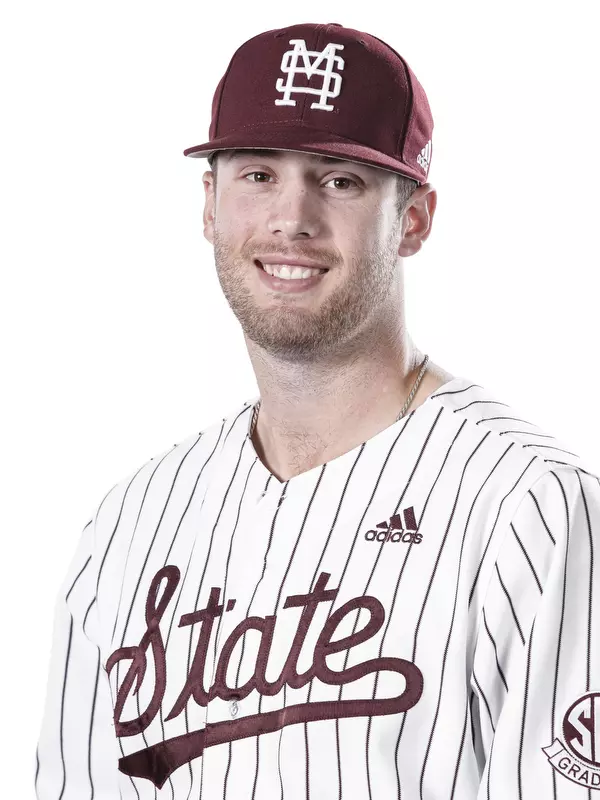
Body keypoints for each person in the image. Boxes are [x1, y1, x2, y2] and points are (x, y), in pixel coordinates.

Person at [35, 21, 600, 800]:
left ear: (414, 218)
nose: (291, 217)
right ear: (210, 204)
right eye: (259, 175)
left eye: (339, 180)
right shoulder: (129, 525)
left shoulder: (528, 505)